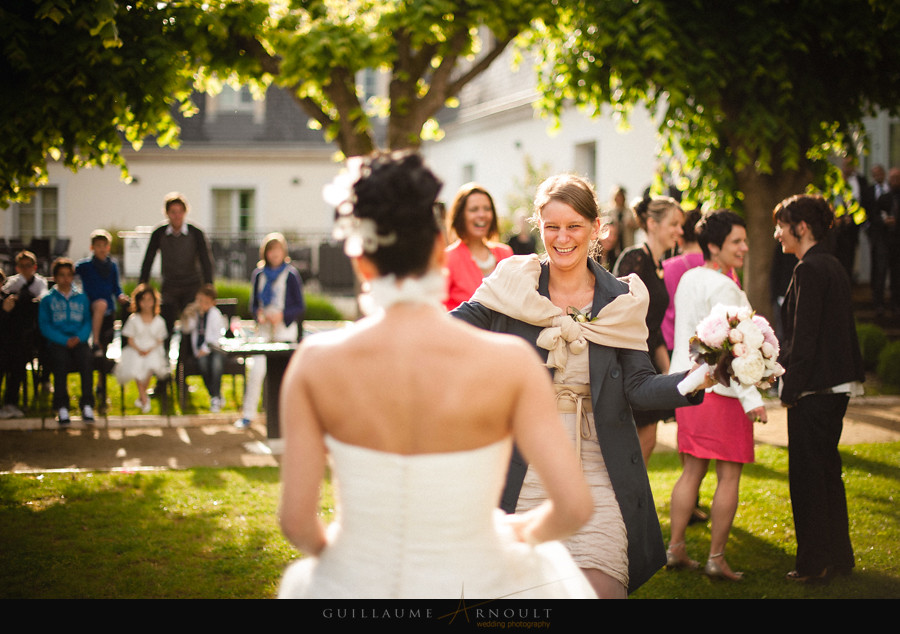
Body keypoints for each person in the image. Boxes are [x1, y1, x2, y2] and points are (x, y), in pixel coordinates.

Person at [278, 151, 596, 599]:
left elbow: (296, 522)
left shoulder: (314, 363)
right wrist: (509, 535)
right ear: (438, 251)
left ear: (361, 262)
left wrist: (356, 560)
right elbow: (573, 507)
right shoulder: (509, 363)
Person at [452, 173, 709, 598]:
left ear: (596, 229)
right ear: (539, 226)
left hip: (599, 466)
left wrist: (700, 377)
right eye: (552, 226)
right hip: (524, 464)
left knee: (602, 592)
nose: (562, 238)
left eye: (574, 226)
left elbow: (639, 386)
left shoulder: (622, 300)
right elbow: (448, 331)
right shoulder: (513, 286)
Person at [667, 210, 768, 581]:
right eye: (736, 242)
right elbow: (734, 352)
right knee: (729, 476)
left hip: (687, 388)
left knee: (691, 471)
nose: (744, 247)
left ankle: (675, 548)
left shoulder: (689, 278)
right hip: (723, 394)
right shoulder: (725, 287)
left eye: (744, 240)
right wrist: (752, 399)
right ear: (714, 246)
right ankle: (716, 558)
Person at [774, 194, 864, 584]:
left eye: (781, 225)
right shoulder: (833, 265)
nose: (777, 233)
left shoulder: (808, 270)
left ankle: (814, 564)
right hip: (838, 386)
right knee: (828, 472)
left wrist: (787, 389)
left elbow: (804, 340)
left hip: (814, 390)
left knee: (809, 478)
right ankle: (840, 557)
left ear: (802, 227)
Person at [613, 196, 685, 465]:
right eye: (674, 224)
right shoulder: (635, 258)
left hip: (649, 360)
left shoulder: (659, 267)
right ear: (652, 224)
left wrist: (668, 372)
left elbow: (653, 328)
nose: (680, 230)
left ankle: (628, 501)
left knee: (647, 439)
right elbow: (618, 310)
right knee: (638, 441)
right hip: (629, 360)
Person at [234, 233, 305, 429]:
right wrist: (259, 314)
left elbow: (299, 305)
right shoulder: (259, 274)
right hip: (264, 330)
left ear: (284, 252)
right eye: (271, 250)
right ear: (266, 252)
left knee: (285, 374)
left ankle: (288, 417)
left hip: (284, 329)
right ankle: (248, 415)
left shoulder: (290, 274)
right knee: (257, 370)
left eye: (278, 250)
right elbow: (253, 304)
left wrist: (282, 315)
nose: (275, 254)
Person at [139, 192, 214, 338]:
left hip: (192, 285)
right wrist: (143, 283)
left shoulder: (196, 233)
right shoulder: (159, 233)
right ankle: (165, 358)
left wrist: (208, 284)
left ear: (185, 212)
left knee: (189, 325)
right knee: (166, 324)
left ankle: (185, 359)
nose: (177, 216)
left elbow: (206, 260)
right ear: (167, 213)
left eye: (180, 212)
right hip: (169, 285)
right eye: (173, 212)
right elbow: (149, 258)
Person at [39, 258, 95, 426]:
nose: (65, 279)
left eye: (69, 275)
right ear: (55, 277)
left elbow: (87, 322)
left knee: (86, 358)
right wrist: (63, 340)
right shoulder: (47, 300)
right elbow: (45, 325)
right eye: (61, 275)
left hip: (79, 340)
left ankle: (87, 404)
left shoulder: (82, 298)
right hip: (58, 342)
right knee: (59, 361)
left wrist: (80, 337)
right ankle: (61, 405)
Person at [443, 183, 513, 310]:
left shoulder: (505, 253)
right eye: (474, 209)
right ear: (460, 215)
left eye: (487, 209)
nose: (482, 215)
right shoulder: (448, 259)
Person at [0, 251, 47, 419]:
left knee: (19, 359)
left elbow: (42, 299)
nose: (26, 269)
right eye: (22, 266)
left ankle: (10, 403)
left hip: (24, 337)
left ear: (34, 267)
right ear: (17, 268)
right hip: (6, 342)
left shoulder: (39, 283)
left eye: (29, 266)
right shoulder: (12, 285)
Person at [114, 284, 169, 414]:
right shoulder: (133, 319)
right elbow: (130, 339)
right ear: (138, 302)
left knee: (151, 364)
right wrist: (139, 349)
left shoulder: (159, 321)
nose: (146, 303)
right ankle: (144, 398)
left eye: (149, 300)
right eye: (143, 300)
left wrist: (149, 349)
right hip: (136, 350)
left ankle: (142, 396)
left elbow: (159, 340)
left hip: (152, 350)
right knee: (136, 364)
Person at [75, 229, 130, 356]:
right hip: (90, 305)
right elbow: (69, 275)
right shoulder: (85, 265)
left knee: (106, 343)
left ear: (108, 247)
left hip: (108, 309)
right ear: (92, 247)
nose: (101, 249)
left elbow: (116, 287)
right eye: (98, 246)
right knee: (100, 304)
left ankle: (102, 367)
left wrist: (120, 296)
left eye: (104, 246)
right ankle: (95, 342)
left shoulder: (112, 266)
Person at [181, 284, 226, 413]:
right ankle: (215, 396)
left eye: (206, 302)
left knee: (216, 364)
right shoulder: (195, 314)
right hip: (200, 352)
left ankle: (215, 396)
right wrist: (186, 315)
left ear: (212, 303)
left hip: (214, 349)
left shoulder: (215, 314)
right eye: (199, 301)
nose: (202, 304)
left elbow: (216, 335)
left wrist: (205, 349)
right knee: (203, 364)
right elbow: (186, 329)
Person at [870, 167, 900, 316]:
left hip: (897, 243)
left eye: (897, 178)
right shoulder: (884, 198)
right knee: (880, 272)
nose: (895, 181)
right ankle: (879, 304)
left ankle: (896, 304)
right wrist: (884, 222)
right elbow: (874, 217)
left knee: (896, 275)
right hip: (883, 241)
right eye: (893, 178)